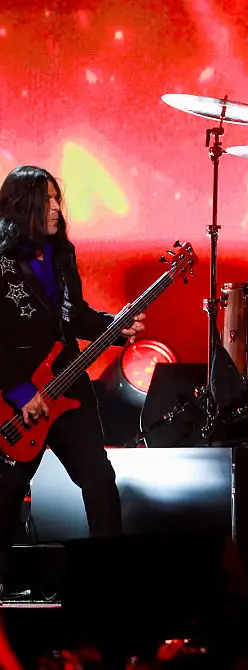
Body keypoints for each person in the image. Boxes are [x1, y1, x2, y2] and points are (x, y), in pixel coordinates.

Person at [0, 165, 145, 589]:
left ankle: (110, 578)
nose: (56, 209)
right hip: (18, 397)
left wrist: (114, 327)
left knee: (99, 478)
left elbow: (74, 315)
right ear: (23, 205)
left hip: (69, 389)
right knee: (8, 489)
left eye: (56, 200)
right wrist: (21, 391)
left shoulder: (62, 254)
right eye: (47, 201)